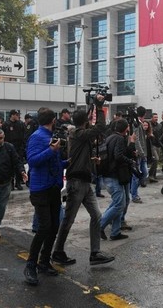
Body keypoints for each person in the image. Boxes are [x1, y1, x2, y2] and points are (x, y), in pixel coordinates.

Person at [51, 96, 115, 266]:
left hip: (85, 181)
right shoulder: (79, 134)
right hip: (77, 182)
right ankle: (57, 251)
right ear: (85, 121)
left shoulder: (79, 135)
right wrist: (100, 107)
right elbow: (101, 127)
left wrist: (90, 160)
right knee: (68, 219)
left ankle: (95, 253)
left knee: (96, 215)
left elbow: (79, 155)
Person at [23, 108, 67, 286]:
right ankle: (30, 265)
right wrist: (51, 150)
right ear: (53, 120)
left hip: (53, 187)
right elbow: (32, 161)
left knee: (54, 225)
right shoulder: (37, 136)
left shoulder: (50, 136)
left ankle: (44, 262)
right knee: (44, 227)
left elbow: (55, 162)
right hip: (40, 188)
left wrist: (70, 162)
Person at [99, 119, 134, 241]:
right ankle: (99, 226)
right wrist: (130, 161)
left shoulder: (110, 137)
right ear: (126, 129)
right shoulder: (119, 139)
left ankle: (115, 232)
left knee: (117, 203)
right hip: (113, 176)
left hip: (109, 175)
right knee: (120, 204)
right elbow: (118, 156)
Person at [2, 110, 27, 191]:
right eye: (16, 115)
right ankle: (11, 183)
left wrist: (23, 147)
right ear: (12, 115)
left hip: (19, 148)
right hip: (9, 148)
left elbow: (24, 136)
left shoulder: (20, 124)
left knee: (18, 166)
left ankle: (18, 183)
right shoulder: (6, 124)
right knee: (10, 166)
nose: (17, 116)